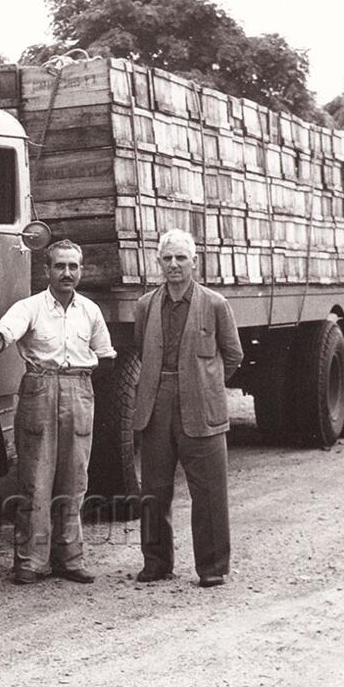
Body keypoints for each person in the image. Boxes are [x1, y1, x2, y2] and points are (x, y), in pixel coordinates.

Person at [0, 240, 115, 585]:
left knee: (75, 477)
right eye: (59, 266)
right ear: (47, 271)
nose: (66, 273)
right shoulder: (30, 307)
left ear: (81, 270)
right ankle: (31, 561)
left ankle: (71, 558)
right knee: (35, 478)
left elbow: (106, 354)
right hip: (40, 388)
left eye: (73, 266)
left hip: (79, 390)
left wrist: (82, 385)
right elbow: (3, 332)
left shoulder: (90, 311)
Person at [131, 229, 243, 588]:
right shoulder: (146, 305)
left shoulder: (214, 304)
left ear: (195, 262)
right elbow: (141, 349)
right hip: (156, 403)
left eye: (181, 258)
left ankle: (212, 568)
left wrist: (206, 383)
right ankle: (156, 563)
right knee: (154, 489)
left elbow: (234, 354)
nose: (174, 265)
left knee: (209, 491)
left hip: (202, 406)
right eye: (168, 258)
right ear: (158, 263)